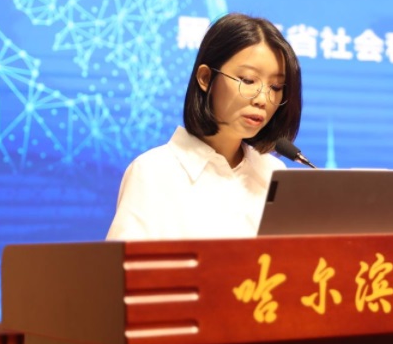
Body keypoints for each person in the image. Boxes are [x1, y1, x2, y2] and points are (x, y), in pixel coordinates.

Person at [105, 13, 303, 240]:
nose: (262, 99)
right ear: (206, 78)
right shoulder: (153, 172)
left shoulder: (273, 173)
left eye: (276, 87)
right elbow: (124, 262)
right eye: (248, 80)